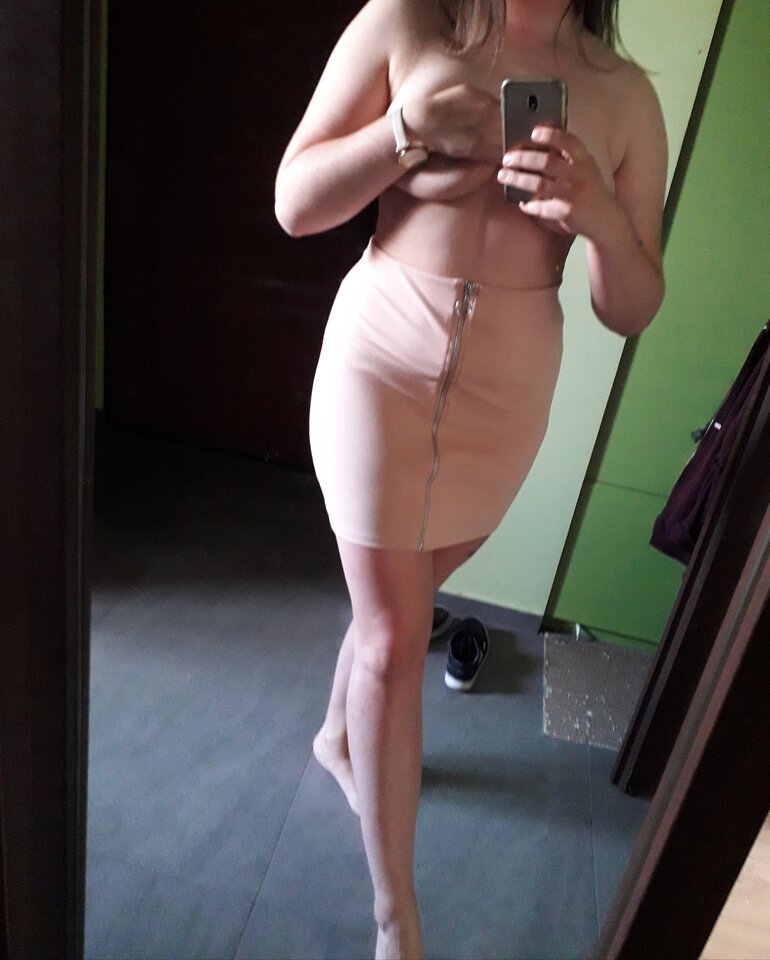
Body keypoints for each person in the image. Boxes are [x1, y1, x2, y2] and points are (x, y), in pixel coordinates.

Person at [274, 0, 667, 956]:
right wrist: (404, 131)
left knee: (398, 599)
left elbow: (632, 307)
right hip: (380, 358)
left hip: (506, 396)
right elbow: (295, 201)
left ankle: (338, 737)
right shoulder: (405, 23)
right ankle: (396, 917)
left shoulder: (624, 94)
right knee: (395, 632)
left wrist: (602, 222)